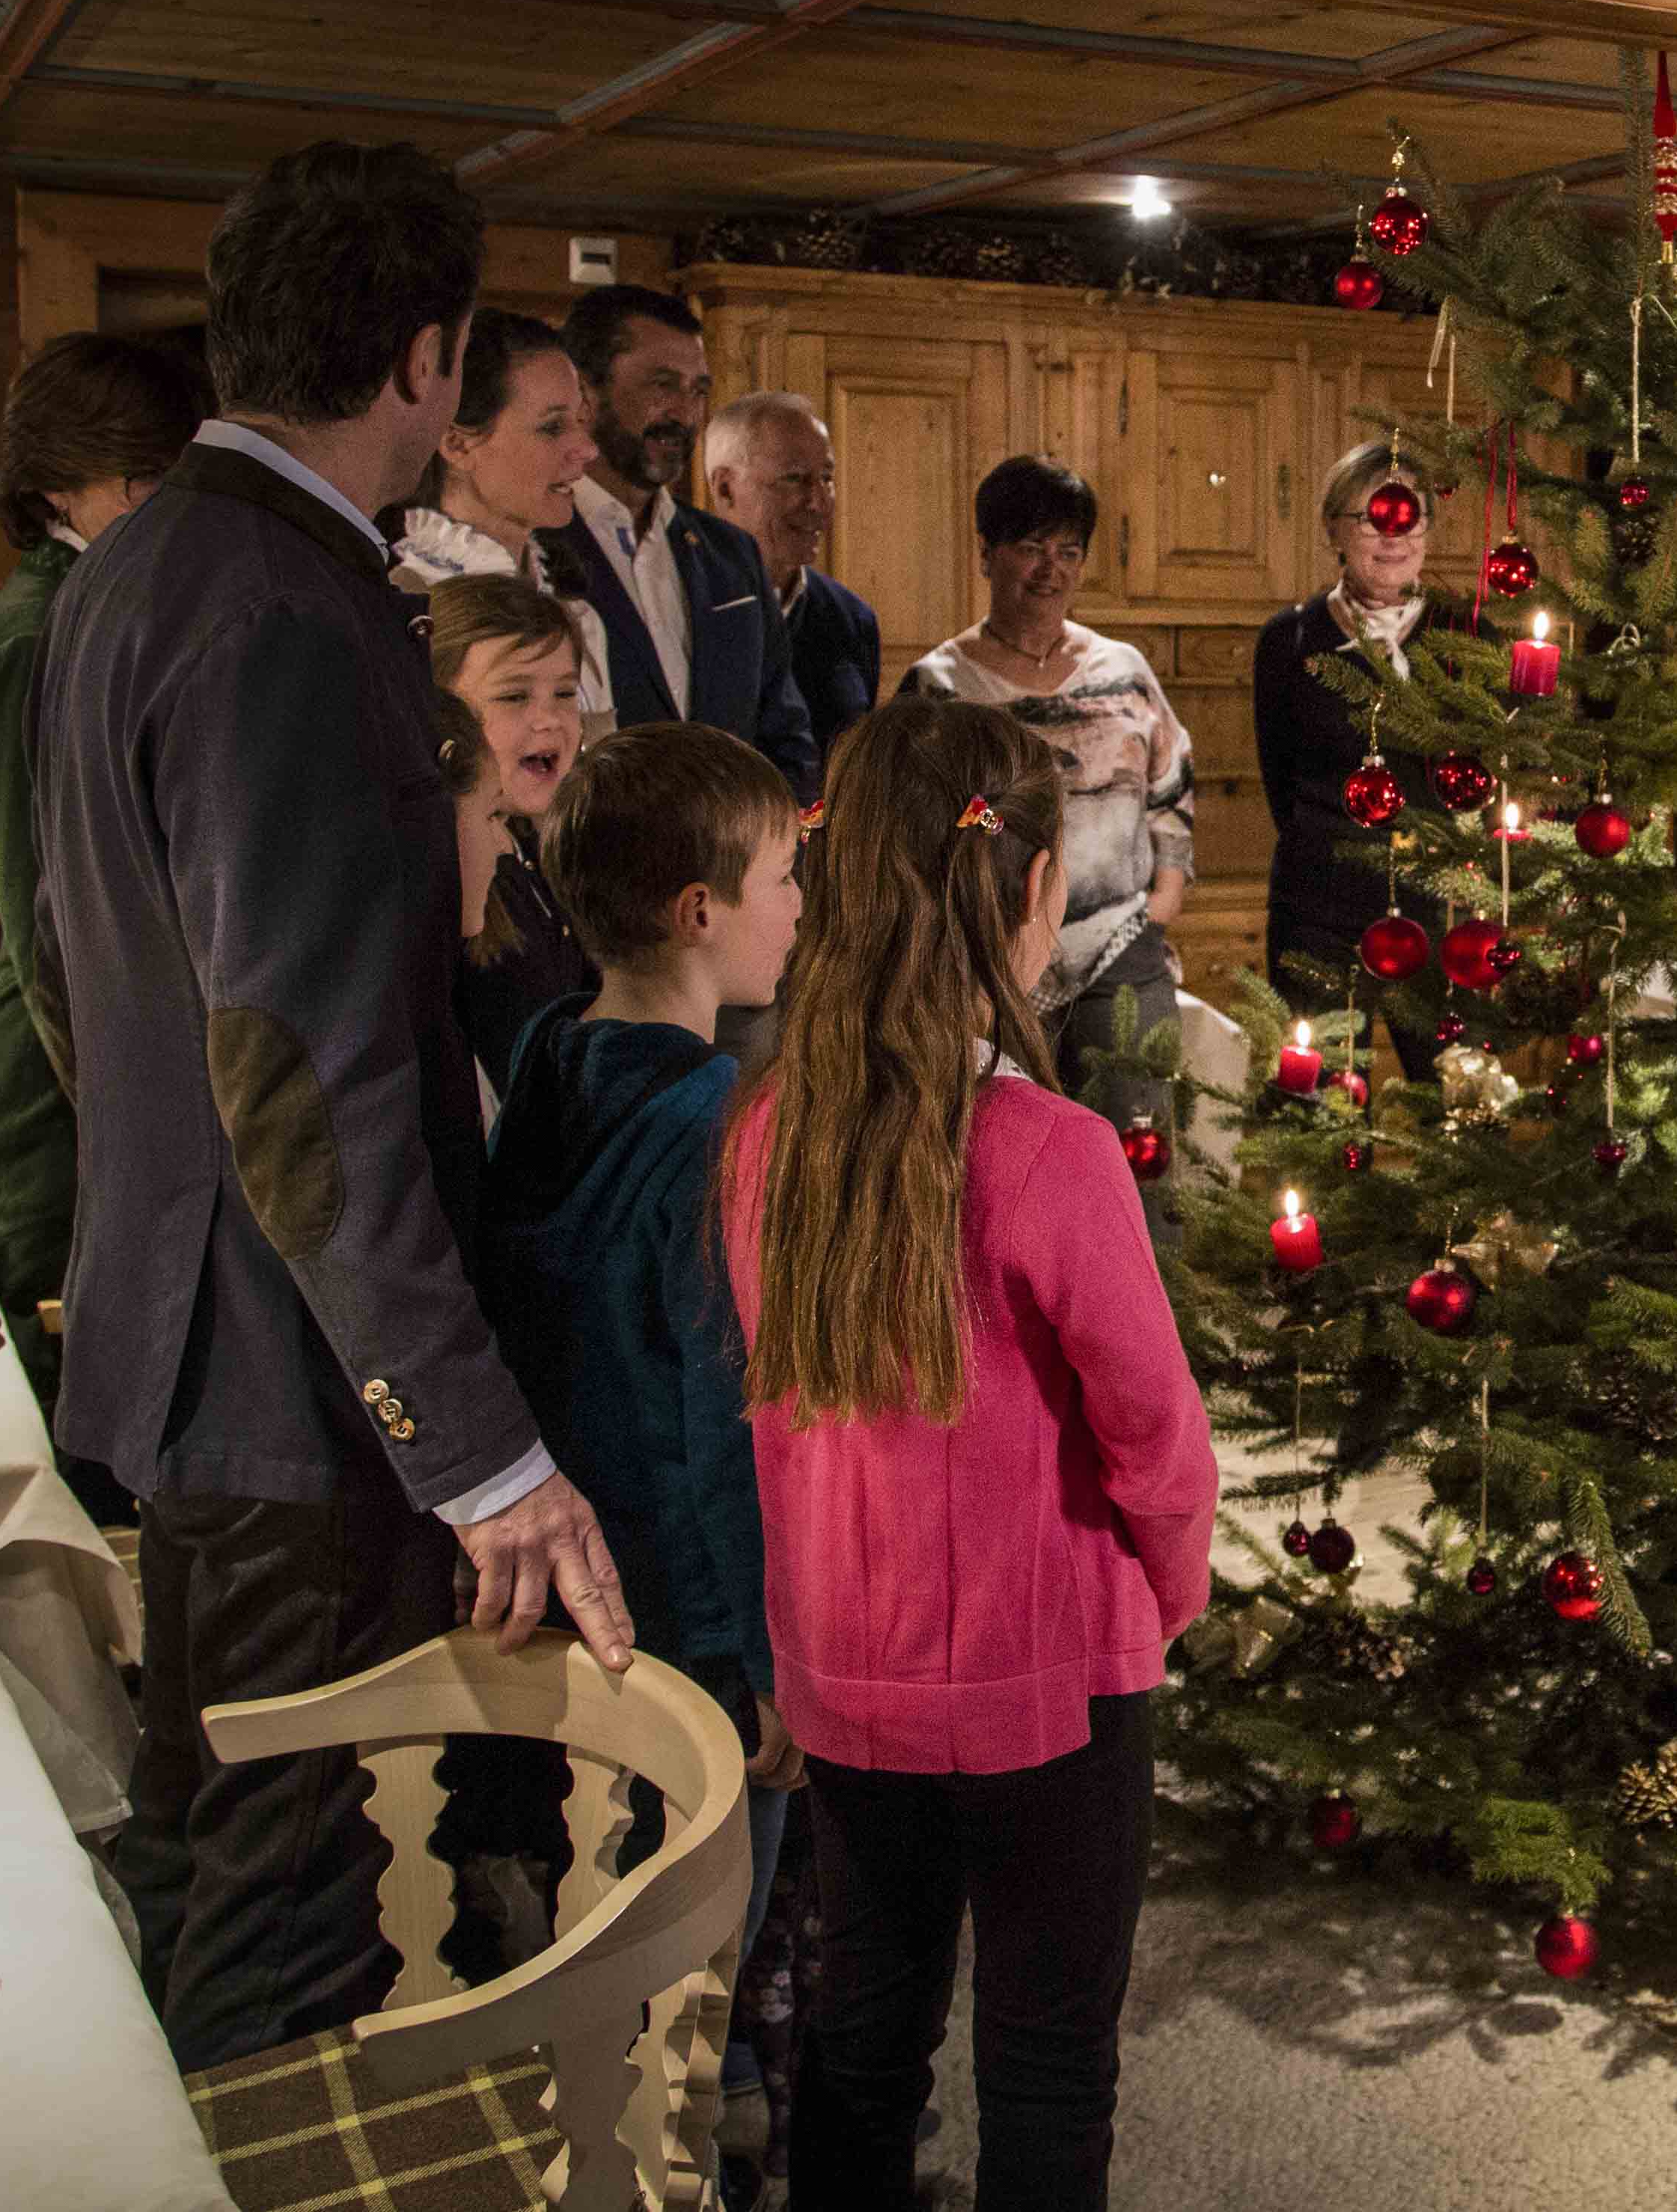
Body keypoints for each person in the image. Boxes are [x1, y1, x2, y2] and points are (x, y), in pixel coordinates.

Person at [34, 139, 635, 2071]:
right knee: (288, 1925)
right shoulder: (282, 609)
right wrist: (476, 1450)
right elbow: (295, 1065)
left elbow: (79, 965)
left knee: (215, 1851)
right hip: (290, 1378)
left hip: (200, 1315)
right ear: (428, 364)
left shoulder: (147, 560)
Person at [722, 694, 1214, 2208]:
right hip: (1058, 1677)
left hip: (852, 1672)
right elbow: (1158, 1437)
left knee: (865, 2036)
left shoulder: (763, 1131)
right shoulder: (1050, 1150)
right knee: (1049, 2058)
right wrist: (1172, 1595)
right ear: (1037, 892)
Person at [475, 720, 806, 2163]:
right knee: (712, 1864)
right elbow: (718, 1411)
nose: (801, 905)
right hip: (680, 1585)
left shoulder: (553, 1048)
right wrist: (768, 1662)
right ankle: (708, 2094)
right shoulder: (720, 1121)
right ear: (699, 912)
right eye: (785, 875)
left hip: (562, 1539)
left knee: (600, 1844)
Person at [0, 330, 205, 1455]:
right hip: (53, 1111)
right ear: (58, 484)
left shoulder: (108, 599)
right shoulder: (33, 635)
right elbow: (49, 923)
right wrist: (126, 1139)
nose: (165, 505)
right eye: (139, 483)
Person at [899, 456, 1193, 1126]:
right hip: (987, 968)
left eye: (1067, 552)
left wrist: (1162, 905)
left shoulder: (1123, 669)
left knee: (1142, 1156)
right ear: (986, 555)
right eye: (1030, 549)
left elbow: (1171, 785)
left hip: (1120, 950)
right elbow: (910, 825)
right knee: (1008, 1157)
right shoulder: (938, 687)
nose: (1050, 569)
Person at [537, 284, 819, 797]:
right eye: (662, 385)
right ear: (586, 393)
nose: (686, 415)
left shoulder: (730, 554)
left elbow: (786, 739)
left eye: (698, 391)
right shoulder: (534, 543)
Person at [1250, 441, 1444, 1082]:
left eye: (1409, 518)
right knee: (1320, 1109)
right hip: (1318, 911)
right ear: (1334, 527)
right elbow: (1281, 781)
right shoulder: (1290, 640)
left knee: (1460, 1099)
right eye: (1373, 518)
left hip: (1439, 911)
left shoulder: (1470, 639)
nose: (1394, 537)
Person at [389, 306, 615, 745]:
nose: (586, 449)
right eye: (552, 428)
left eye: (581, 422)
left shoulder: (575, 609)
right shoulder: (404, 598)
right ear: (456, 443)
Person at [425, 575, 596, 1097]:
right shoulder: (445, 872)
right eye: (514, 696)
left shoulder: (548, 847)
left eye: (564, 693)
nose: (548, 720)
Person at [703, 389, 878, 753]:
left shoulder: (851, 619)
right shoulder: (682, 602)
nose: (819, 502)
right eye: (795, 479)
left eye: (827, 478)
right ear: (725, 489)